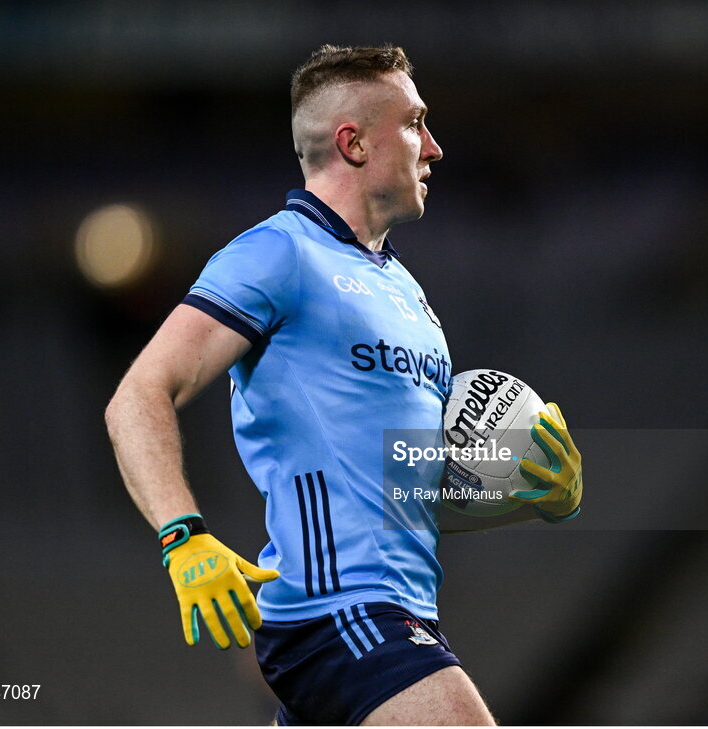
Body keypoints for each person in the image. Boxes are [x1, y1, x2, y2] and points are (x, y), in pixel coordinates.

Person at [105, 44, 583, 726]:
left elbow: (387, 491)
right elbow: (138, 394)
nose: (436, 147)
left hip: (393, 612)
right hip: (338, 612)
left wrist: (526, 492)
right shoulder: (278, 252)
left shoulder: (408, 294)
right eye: (416, 123)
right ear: (353, 142)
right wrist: (184, 536)